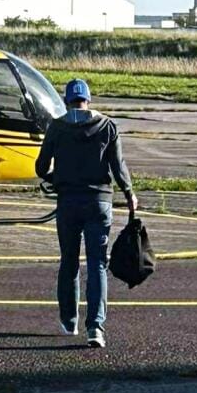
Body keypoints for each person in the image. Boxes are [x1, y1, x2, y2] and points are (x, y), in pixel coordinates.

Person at [33, 78, 134, 348]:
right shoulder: (107, 126)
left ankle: (69, 320)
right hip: (99, 202)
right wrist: (129, 194)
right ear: (88, 99)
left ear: (67, 101)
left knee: (69, 261)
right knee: (97, 264)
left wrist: (57, 177)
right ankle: (96, 327)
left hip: (68, 202)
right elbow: (119, 167)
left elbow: (41, 167)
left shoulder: (58, 126)